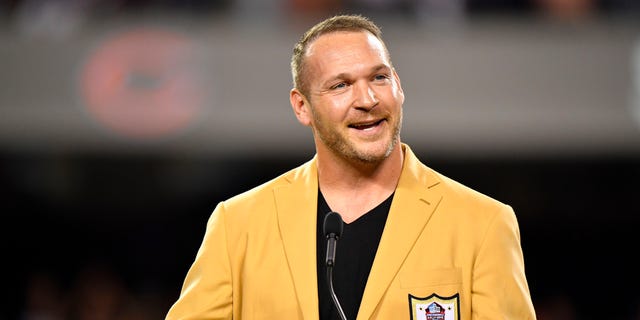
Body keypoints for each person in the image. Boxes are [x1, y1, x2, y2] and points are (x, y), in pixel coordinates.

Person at [165, 14, 536, 320]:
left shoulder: (483, 224)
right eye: (341, 85)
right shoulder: (238, 225)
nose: (368, 99)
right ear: (302, 107)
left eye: (378, 77)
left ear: (399, 86)